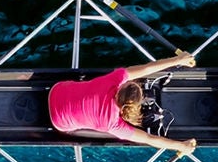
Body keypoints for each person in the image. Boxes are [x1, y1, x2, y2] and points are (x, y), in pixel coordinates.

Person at [48, 53, 198, 153]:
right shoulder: (115, 124)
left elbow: (146, 68)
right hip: (59, 123)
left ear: (123, 86)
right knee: (113, 134)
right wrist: (180, 146)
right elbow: (148, 139)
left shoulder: (114, 80)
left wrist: (179, 60)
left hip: (56, 90)